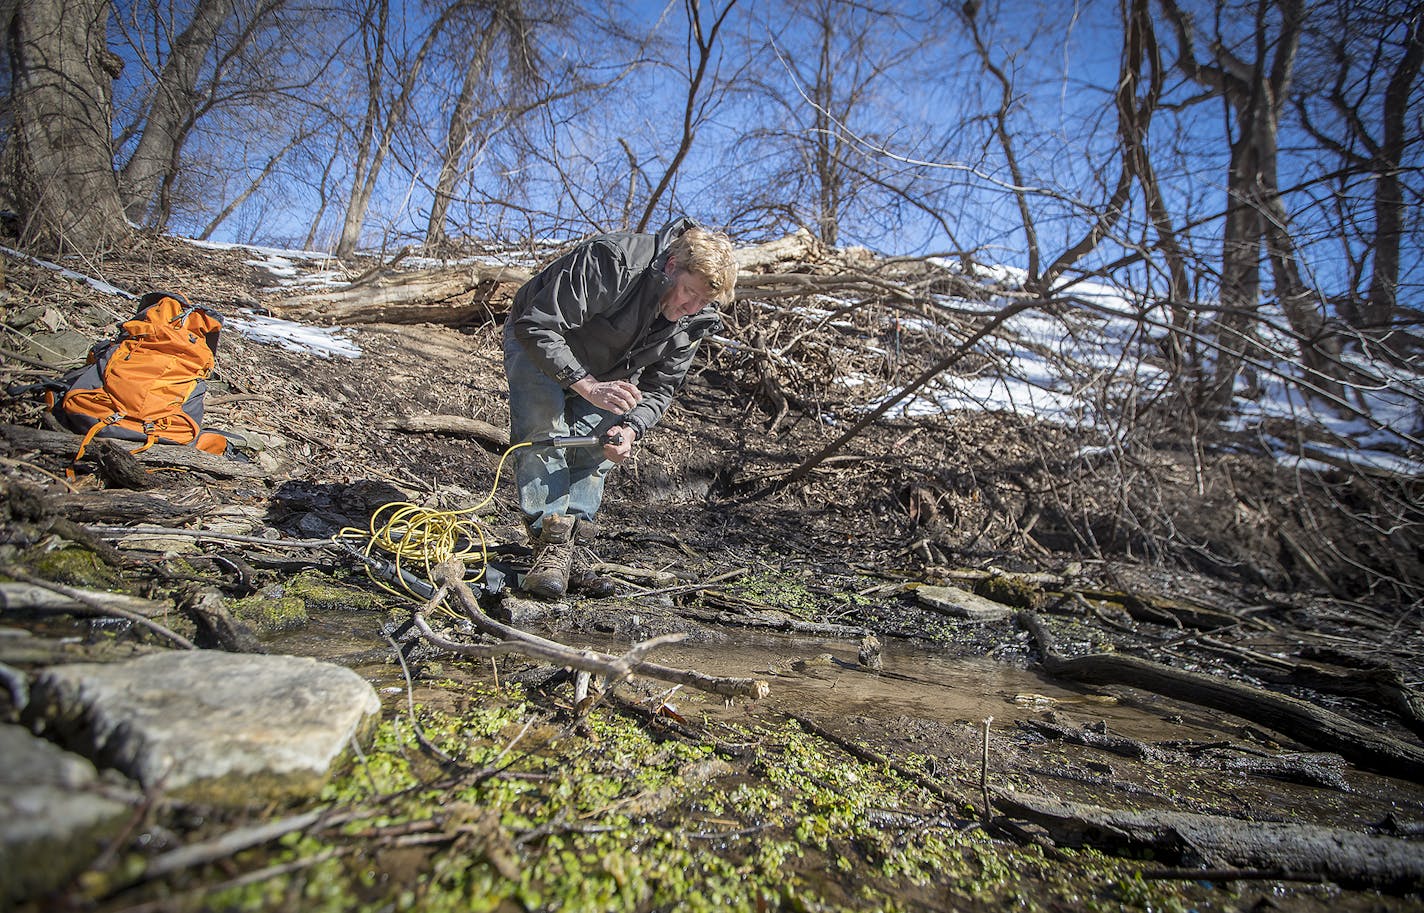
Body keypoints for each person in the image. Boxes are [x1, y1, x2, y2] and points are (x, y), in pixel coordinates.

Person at [503, 217, 737, 599]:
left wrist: (630, 429)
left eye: (704, 302)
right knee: (544, 430)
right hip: (538, 338)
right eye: (688, 293)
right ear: (671, 267)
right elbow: (538, 324)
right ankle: (549, 547)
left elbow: (661, 387)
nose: (692, 307)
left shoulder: (694, 318)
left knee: (599, 446)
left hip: (607, 368)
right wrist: (588, 386)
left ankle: (571, 549)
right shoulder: (613, 262)